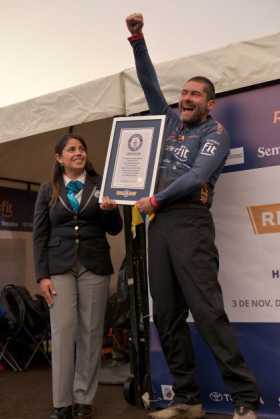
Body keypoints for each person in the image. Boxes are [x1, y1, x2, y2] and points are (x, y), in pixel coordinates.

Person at [125, 13, 259, 419]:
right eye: (183, 93)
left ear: (210, 103)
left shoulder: (215, 133)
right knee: (165, 314)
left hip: (189, 221)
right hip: (159, 225)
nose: (186, 98)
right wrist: (137, 39)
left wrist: (156, 200)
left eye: (195, 95)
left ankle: (246, 400)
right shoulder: (167, 121)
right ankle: (187, 399)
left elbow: (198, 176)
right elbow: (150, 84)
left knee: (207, 312)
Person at [33, 133, 123, 419]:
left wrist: (110, 211)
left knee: (91, 332)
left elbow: (115, 228)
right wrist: (41, 275)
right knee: (63, 332)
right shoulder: (48, 190)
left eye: (81, 149)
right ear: (59, 158)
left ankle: (83, 399)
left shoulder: (101, 185)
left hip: (94, 264)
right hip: (58, 268)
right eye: (71, 150)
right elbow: (40, 235)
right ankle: (61, 403)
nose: (78, 153)